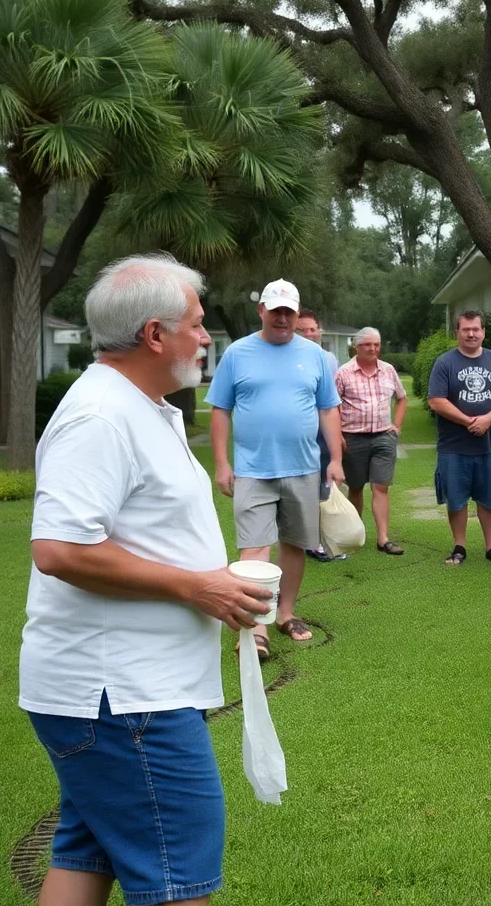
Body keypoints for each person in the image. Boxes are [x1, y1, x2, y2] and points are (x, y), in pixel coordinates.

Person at [21, 253, 273, 906]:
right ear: (154, 335)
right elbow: (59, 548)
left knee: (86, 850)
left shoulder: (145, 406)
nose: (204, 336)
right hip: (121, 698)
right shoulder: (100, 418)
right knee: (177, 871)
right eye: (193, 323)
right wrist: (198, 587)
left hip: (124, 694)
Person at [207, 279, 344, 654]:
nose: (282, 318)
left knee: (295, 544)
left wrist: (335, 459)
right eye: (276, 310)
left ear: (297, 314)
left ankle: (285, 613)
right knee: (254, 549)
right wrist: (222, 463)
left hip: (303, 467)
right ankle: (255, 628)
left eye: (289, 311)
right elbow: (221, 410)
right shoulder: (237, 353)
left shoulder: (314, 355)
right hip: (252, 470)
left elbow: (328, 409)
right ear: (261, 311)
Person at [427, 310, 491, 566]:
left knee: (488, 498)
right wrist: (468, 422)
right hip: (453, 446)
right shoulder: (445, 363)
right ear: (457, 332)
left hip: (488, 446)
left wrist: (489, 417)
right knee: (456, 499)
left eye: (476, 329)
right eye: (465, 329)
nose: (471, 334)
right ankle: (459, 547)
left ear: (483, 332)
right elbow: (436, 401)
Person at [335, 327, 408, 554]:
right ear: (356, 347)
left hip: (383, 437)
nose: (373, 348)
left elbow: (402, 398)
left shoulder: (388, 370)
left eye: (376, 344)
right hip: (353, 438)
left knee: (380, 487)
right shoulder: (343, 373)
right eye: (368, 344)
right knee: (355, 487)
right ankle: (355, 534)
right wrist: (337, 434)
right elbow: (332, 406)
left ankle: (383, 539)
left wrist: (396, 426)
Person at [295, 308, 343, 561]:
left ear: (319, 331)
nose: (308, 334)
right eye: (301, 330)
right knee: (303, 489)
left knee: (326, 487)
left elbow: (332, 402)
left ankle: (326, 539)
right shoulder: (287, 356)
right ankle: (309, 542)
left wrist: (338, 434)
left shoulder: (329, 359)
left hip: (323, 433)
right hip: (297, 433)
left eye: (312, 329)